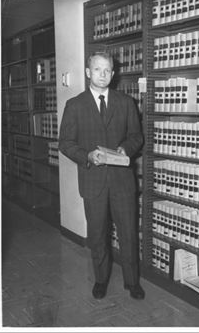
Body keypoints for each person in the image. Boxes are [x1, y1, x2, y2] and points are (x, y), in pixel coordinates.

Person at [59, 52, 145, 300]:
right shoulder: (75, 105)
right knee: (98, 235)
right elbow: (65, 143)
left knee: (128, 233)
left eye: (107, 70)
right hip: (93, 181)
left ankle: (132, 282)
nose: (103, 74)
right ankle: (101, 279)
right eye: (97, 69)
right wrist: (87, 156)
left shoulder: (126, 102)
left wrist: (124, 149)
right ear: (88, 72)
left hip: (122, 183)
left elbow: (137, 137)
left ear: (114, 73)